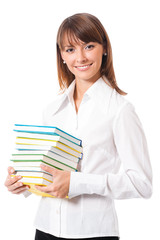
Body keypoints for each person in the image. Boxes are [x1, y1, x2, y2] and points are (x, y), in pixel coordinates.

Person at [4, 13, 152, 240]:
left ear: (104, 48)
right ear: (61, 55)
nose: (80, 57)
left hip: (93, 232)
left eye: (89, 46)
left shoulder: (120, 110)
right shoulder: (52, 109)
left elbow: (141, 184)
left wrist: (76, 182)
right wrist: (23, 182)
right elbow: (50, 170)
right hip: (45, 229)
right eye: (70, 49)